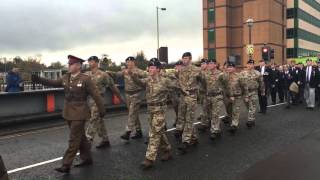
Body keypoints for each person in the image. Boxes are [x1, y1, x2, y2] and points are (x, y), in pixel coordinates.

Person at [32, 55, 105, 173]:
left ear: (78, 66)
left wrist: (102, 110)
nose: (69, 66)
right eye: (69, 64)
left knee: (73, 138)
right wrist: (39, 79)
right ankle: (87, 159)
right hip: (68, 112)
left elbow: (96, 95)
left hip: (80, 112)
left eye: (71, 64)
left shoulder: (85, 79)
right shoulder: (66, 77)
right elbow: (53, 83)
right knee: (81, 137)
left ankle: (66, 165)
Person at [129, 58, 177, 169]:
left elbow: (177, 85)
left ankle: (149, 158)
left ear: (159, 69)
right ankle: (167, 150)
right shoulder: (148, 80)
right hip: (150, 110)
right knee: (159, 131)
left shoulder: (165, 81)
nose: (150, 69)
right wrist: (132, 75)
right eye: (149, 67)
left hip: (160, 110)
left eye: (153, 67)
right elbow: (140, 82)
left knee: (154, 133)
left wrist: (187, 91)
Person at [86, 56, 123, 148]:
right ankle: (105, 139)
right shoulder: (87, 74)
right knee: (99, 120)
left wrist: (122, 99)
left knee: (94, 119)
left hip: (98, 100)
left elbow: (113, 87)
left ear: (96, 62)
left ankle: (88, 140)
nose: (89, 63)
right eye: (89, 61)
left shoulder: (103, 75)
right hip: (89, 100)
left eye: (91, 61)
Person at [108, 57, 147, 141]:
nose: (128, 63)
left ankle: (128, 131)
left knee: (132, 113)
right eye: (127, 62)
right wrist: (109, 72)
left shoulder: (138, 71)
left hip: (136, 94)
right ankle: (138, 131)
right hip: (128, 95)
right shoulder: (125, 71)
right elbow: (117, 74)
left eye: (130, 62)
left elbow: (147, 77)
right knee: (133, 113)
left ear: (134, 62)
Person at [175, 52, 201, 154]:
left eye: (186, 58)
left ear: (190, 59)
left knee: (189, 118)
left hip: (191, 96)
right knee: (184, 118)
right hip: (182, 96)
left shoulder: (196, 69)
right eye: (183, 58)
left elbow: (202, 80)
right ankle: (194, 138)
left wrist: (198, 90)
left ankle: (185, 141)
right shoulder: (179, 70)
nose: (184, 60)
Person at [200, 58, 227, 140]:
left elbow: (226, 84)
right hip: (208, 97)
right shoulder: (205, 74)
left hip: (217, 97)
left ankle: (214, 131)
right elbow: (204, 85)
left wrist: (225, 95)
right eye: (209, 64)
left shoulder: (221, 74)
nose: (209, 65)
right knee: (211, 114)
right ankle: (217, 129)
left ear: (215, 65)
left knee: (215, 114)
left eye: (212, 63)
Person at [224, 60, 248, 134]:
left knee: (235, 111)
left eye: (231, 67)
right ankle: (232, 121)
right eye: (228, 67)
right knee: (229, 111)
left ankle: (234, 125)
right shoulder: (224, 76)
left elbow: (245, 86)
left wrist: (246, 96)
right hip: (228, 97)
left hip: (237, 97)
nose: (229, 68)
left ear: (234, 68)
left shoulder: (239, 76)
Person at [241, 59, 264, 128]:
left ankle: (250, 120)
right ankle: (252, 118)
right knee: (248, 107)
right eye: (249, 64)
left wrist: (262, 91)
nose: (250, 65)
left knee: (252, 107)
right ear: (247, 65)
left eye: (252, 64)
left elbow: (261, 82)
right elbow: (239, 83)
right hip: (245, 93)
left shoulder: (257, 73)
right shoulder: (243, 73)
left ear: (253, 65)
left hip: (254, 92)